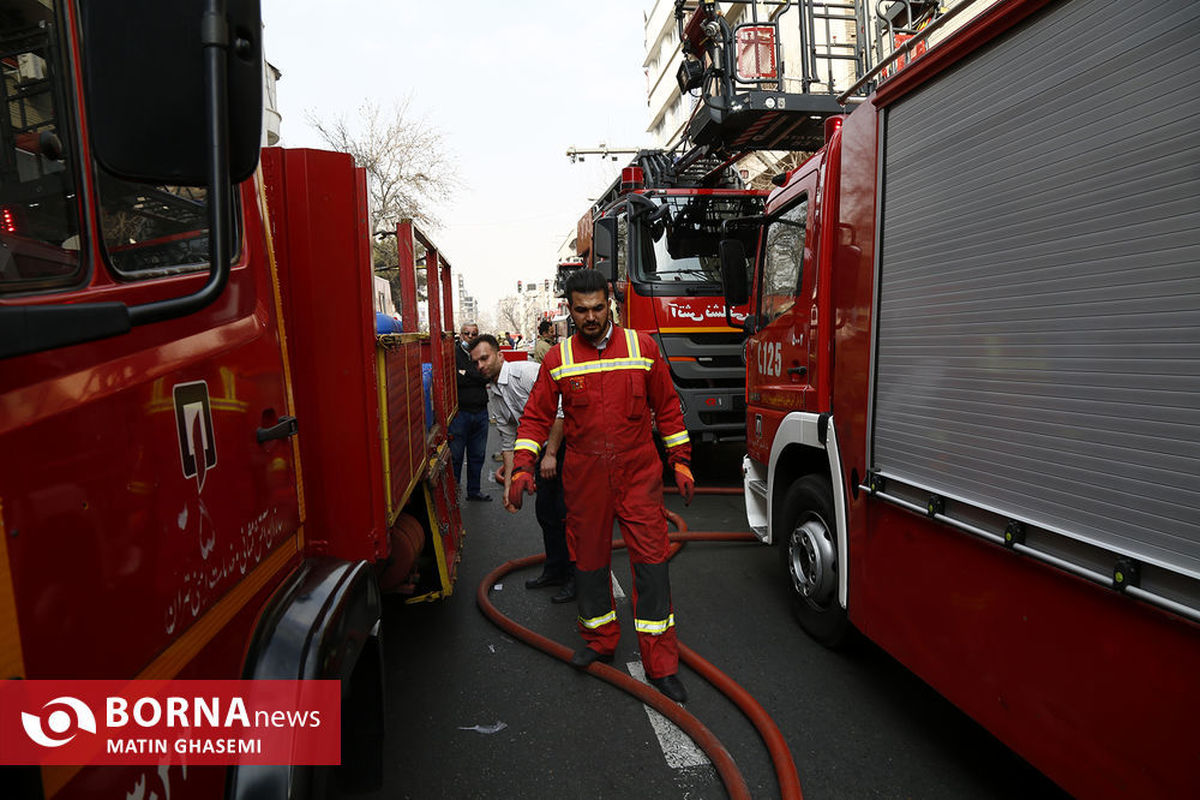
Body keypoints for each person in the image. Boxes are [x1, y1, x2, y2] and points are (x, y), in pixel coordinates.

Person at [507, 269, 695, 703]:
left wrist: (681, 463)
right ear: (569, 310)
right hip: (586, 478)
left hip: (638, 476)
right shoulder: (558, 358)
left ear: (609, 301)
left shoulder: (642, 348)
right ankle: (599, 642)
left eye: (597, 308)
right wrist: (522, 467)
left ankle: (661, 665)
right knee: (588, 565)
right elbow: (536, 417)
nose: (591, 317)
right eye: (581, 310)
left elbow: (667, 410)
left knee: (652, 566)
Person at [469, 334, 575, 602]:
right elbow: (508, 440)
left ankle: (577, 579)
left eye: (485, 358)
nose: (480, 365)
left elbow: (562, 410)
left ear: (500, 355)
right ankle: (555, 571)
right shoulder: (493, 392)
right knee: (546, 513)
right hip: (541, 451)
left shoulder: (527, 373)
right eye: (476, 362)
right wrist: (509, 486)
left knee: (568, 516)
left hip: (569, 447)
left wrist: (551, 453)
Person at [449, 322, 491, 501]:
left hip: (481, 413)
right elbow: (455, 378)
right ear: (461, 335)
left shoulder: (479, 354)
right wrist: (472, 376)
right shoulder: (452, 354)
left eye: (474, 334)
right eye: (467, 334)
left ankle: (474, 491)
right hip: (460, 414)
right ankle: (454, 495)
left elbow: (485, 376)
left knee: (477, 456)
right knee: (456, 458)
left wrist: (467, 374)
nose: (471, 337)